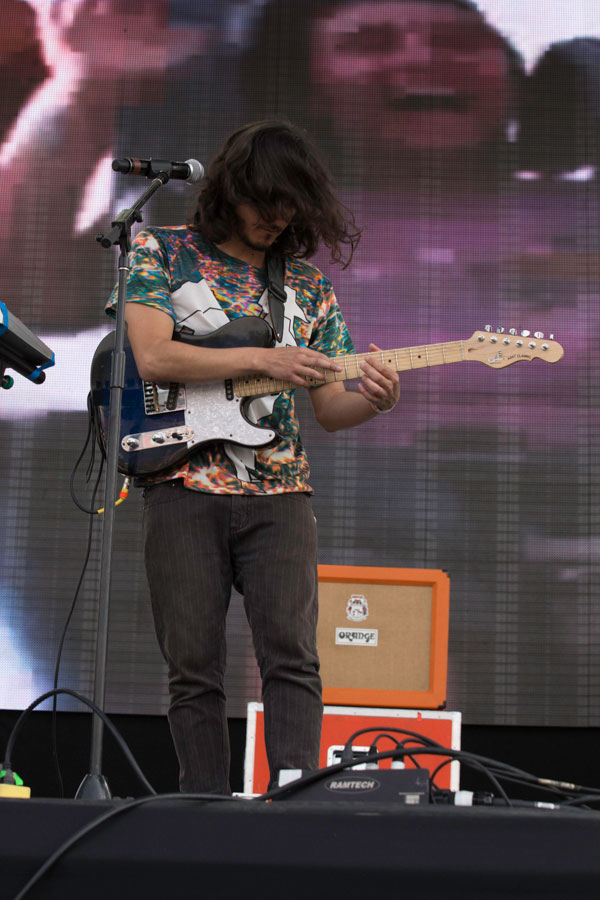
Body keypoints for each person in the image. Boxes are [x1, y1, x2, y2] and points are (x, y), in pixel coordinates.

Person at [106, 119, 400, 794]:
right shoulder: (162, 250)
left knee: (293, 659)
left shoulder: (308, 287)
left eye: (291, 205)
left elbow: (331, 408)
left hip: (281, 495)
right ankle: (202, 810)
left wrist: (376, 401)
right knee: (193, 667)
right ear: (233, 189)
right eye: (266, 201)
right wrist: (264, 359)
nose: (277, 217)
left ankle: (296, 806)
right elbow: (153, 355)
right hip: (182, 485)